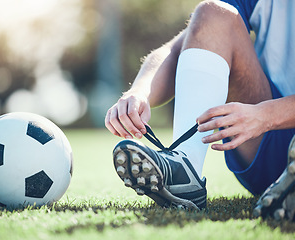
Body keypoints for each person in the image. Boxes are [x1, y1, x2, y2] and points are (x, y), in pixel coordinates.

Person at [105, 0, 295, 219]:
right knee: (213, 13)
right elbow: (176, 48)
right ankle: (186, 169)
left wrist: (267, 115)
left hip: (265, 119)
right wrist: (139, 92)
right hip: (267, 144)